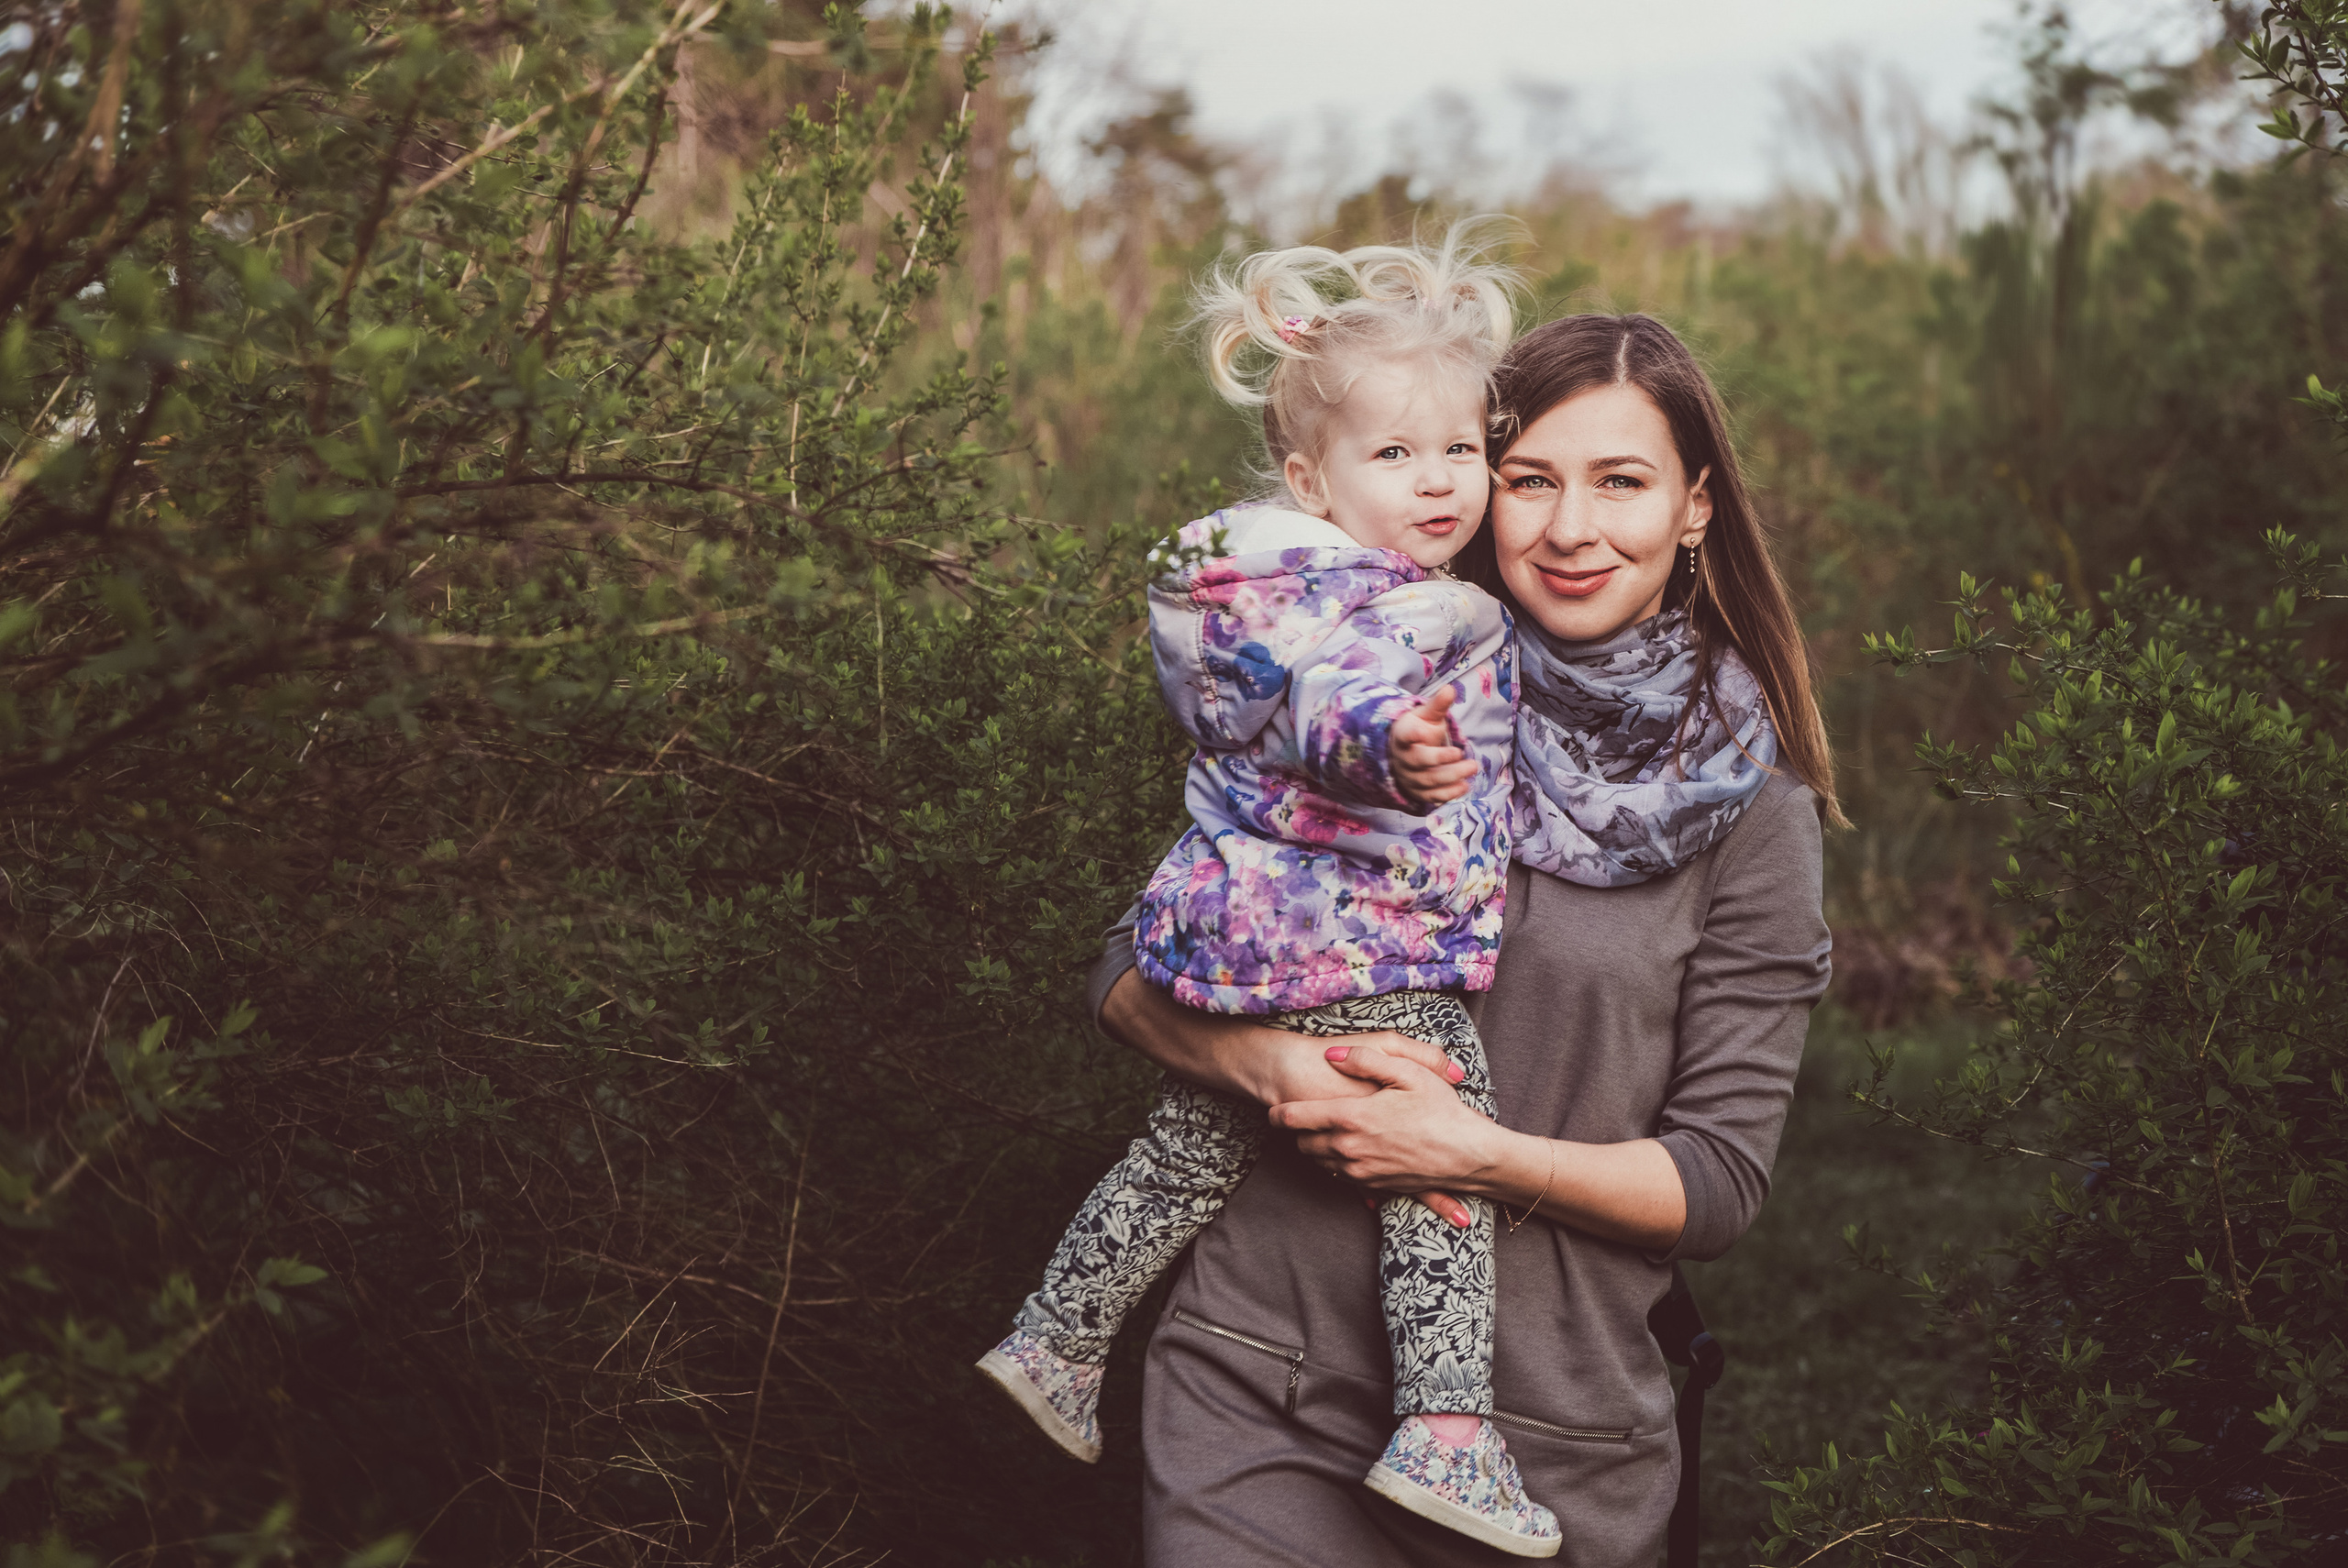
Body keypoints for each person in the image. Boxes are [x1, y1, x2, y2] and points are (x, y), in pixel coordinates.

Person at [1089, 312, 1838, 1566]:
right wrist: (1268, 1070)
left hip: (1558, 1448)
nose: (1568, 527)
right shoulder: (1371, 691)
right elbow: (1125, 966)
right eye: (1531, 477)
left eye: (1622, 482)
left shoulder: (1755, 812)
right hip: (1262, 1393)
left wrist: (1468, 1151)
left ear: (1695, 506)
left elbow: (1714, 1179)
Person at [978, 222, 1569, 1557]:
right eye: (1395, 454)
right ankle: (1451, 1430)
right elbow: (1339, 697)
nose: (1441, 484)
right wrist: (1395, 747)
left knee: (1186, 1148)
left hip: (1241, 950)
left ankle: (1062, 1334)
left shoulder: (1241, 587)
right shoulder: (1369, 605)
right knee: (1439, 1159)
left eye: (1461, 451)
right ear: (1309, 478)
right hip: (1365, 954)